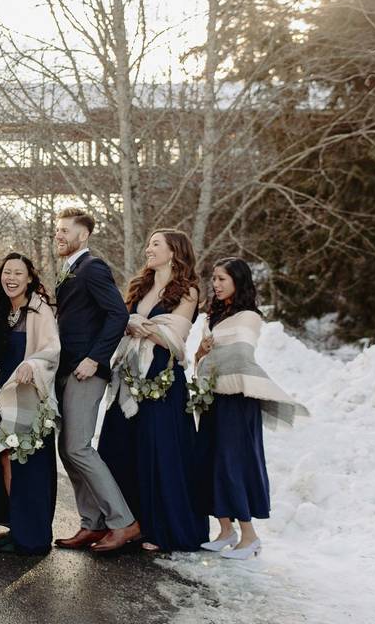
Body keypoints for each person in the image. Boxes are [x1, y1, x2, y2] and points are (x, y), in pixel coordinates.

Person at [100, 229, 208, 552]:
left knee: (158, 452)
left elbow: (174, 339)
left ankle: (162, 529)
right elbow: (121, 322)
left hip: (161, 380)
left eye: (155, 245)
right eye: (148, 244)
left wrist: (137, 325)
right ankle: (126, 522)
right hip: (129, 379)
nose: (148, 250)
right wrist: (136, 325)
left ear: (174, 251)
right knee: (118, 445)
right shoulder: (141, 286)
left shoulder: (187, 292)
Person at [195, 257, 308, 560]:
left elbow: (239, 357)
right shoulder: (213, 316)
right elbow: (205, 359)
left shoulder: (248, 317)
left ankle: (249, 536)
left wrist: (212, 356)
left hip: (237, 399)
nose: (216, 285)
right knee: (209, 460)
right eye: (214, 279)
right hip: (212, 398)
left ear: (238, 282)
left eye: (222, 279)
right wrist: (201, 353)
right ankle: (225, 530)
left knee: (234, 463)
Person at [52, 207, 140, 554]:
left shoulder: (93, 267)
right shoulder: (69, 269)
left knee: (79, 447)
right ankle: (91, 523)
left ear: (83, 235)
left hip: (86, 370)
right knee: (67, 449)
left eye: (64, 230)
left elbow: (118, 314)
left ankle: (124, 522)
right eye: (56, 230)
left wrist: (95, 358)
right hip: (67, 368)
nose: (58, 235)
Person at [0, 253, 60, 555]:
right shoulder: (1, 310)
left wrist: (33, 364)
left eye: (18, 273)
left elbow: (52, 349)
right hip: (5, 394)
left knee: (27, 462)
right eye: (6, 272)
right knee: (5, 457)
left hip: (30, 395)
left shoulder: (39, 309)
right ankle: (17, 526)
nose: (11, 278)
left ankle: (33, 536)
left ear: (29, 278)